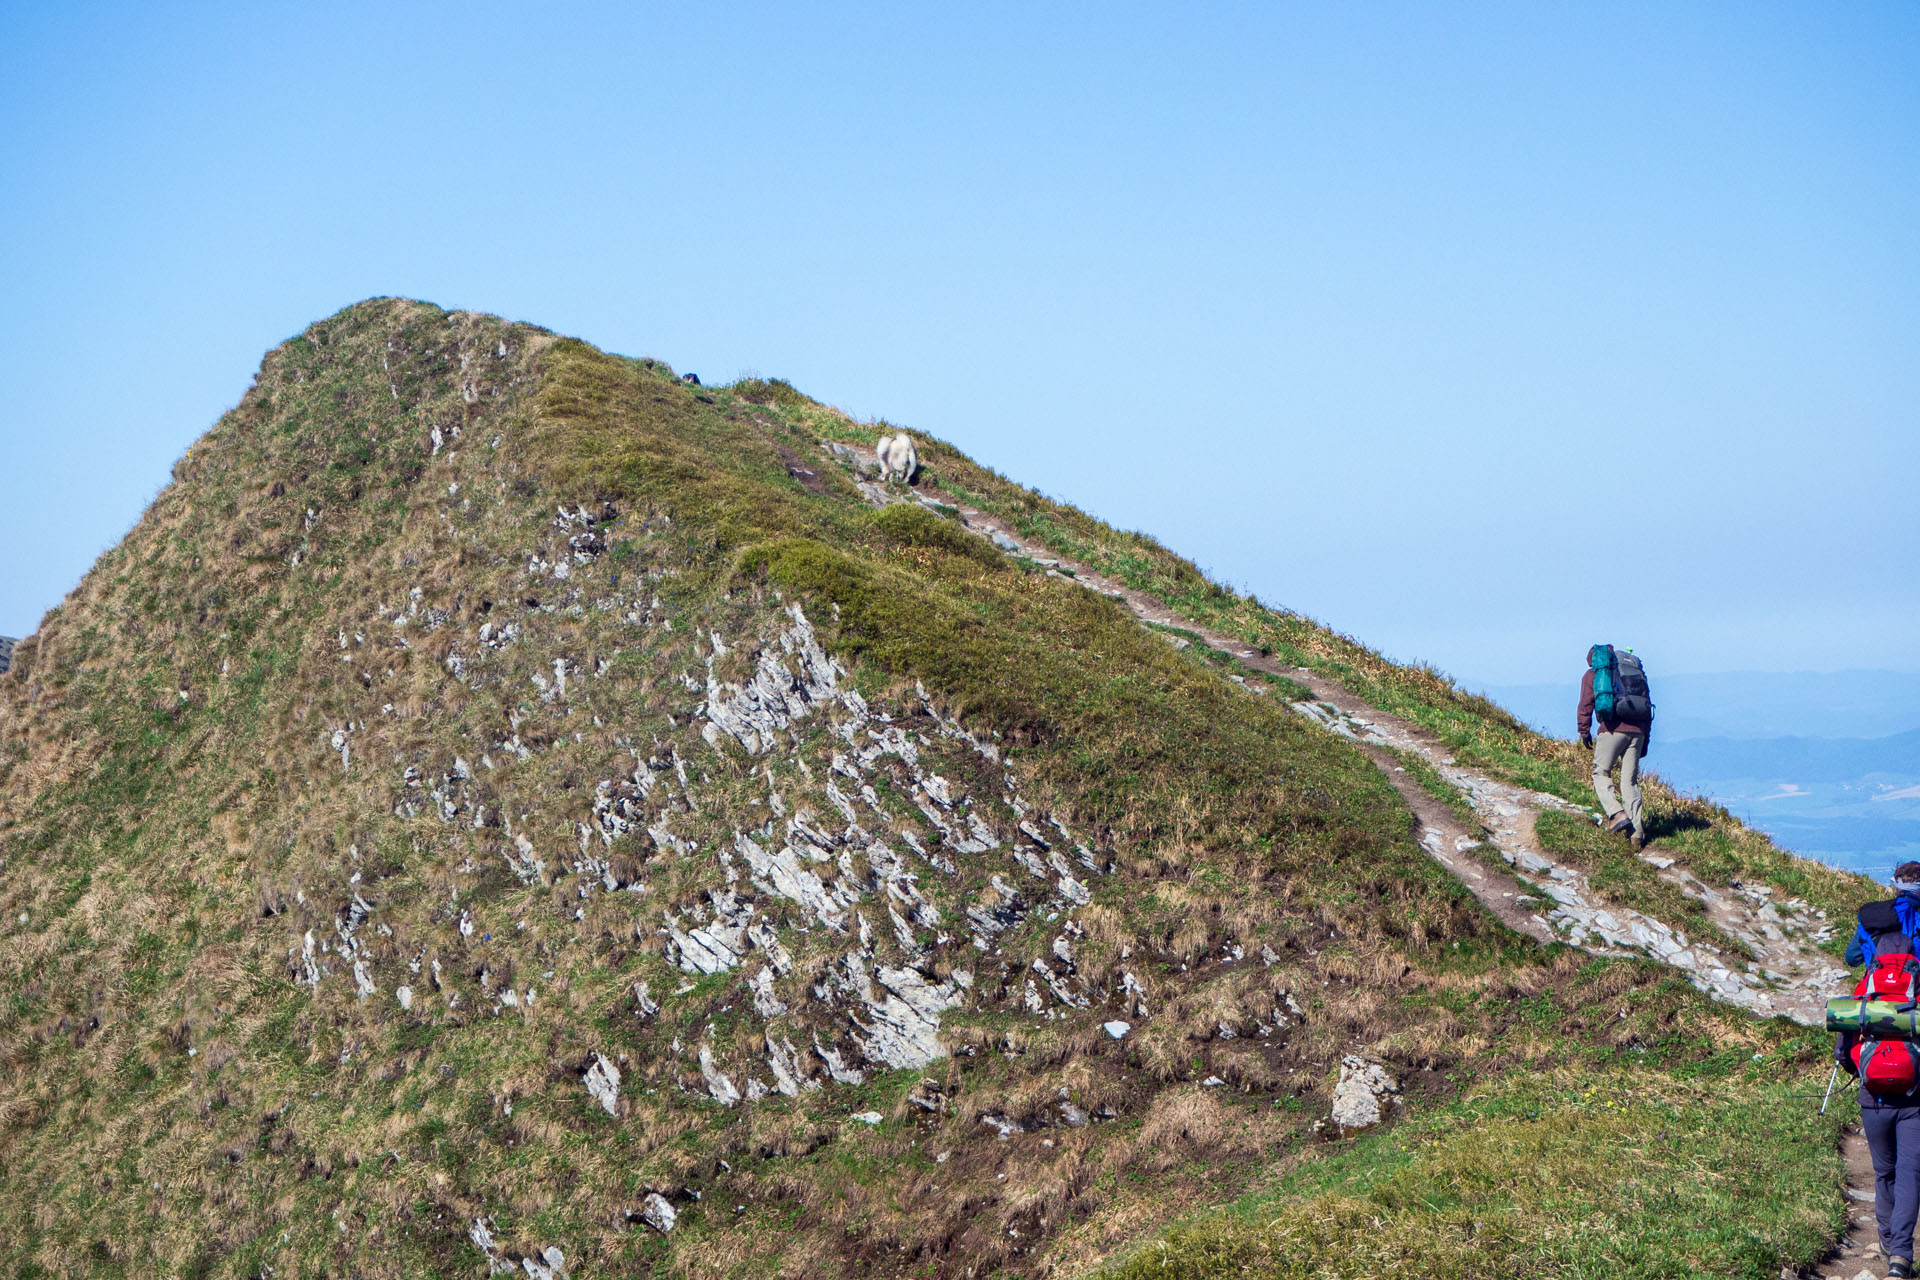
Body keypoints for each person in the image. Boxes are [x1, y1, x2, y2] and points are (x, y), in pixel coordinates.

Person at [1837, 864, 1920, 1279]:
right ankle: (1900, 1254)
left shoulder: (1875, 921)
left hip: (1873, 1082)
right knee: (1910, 1170)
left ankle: (1887, 1236)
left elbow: (1852, 957)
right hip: (1915, 1085)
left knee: (1883, 1169)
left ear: (1895, 886)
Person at [1576, 644, 1654, 848]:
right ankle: (1637, 834)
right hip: (1637, 732)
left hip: (1612, 730)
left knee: (1600, 773)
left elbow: (1586, 704)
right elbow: (1647, 707)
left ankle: (1617, 814)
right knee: (1630, 782)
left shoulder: (1595, 674)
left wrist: (1584, 731)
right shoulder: (1633, 675)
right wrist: (1644, 740)